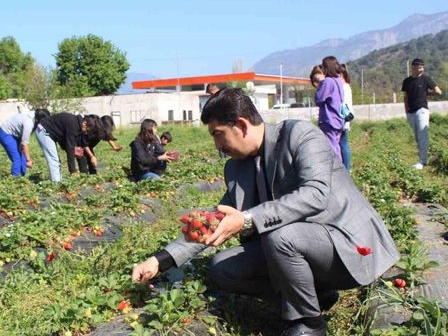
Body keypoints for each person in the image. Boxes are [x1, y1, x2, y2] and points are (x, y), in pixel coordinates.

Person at [132, 88, 400, 336]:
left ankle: (309, 323)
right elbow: (213, 220)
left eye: (217, 134)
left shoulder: (300, 135)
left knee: (280, 237)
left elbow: (315, 194)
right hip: (297, 248)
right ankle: (315, 296)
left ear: (240, 125)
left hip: (346, 245)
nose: (217, 145)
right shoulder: (237, 167)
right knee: (223, 268)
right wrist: (161, 260)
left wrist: (248, 220)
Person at [35, 112, 104, 182]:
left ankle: (58, 181)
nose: (86, 133)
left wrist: (91, 156)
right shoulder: (73, 125)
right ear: (85, 123)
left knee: (57, 160)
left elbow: (80, 144)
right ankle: (56, 184)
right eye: (87, 131)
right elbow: (70, 148)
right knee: (54, 159)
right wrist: (73, 171)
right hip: (44, 130)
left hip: (54, 133)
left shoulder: (80, 124)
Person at [401, 58, 443, 170]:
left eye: (423, 67)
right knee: (417, 136)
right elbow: (405, 97)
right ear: (413, 67)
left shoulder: (426, 79)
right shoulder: (407, 81)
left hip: (422, 110)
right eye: (419, 67)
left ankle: (422, 161)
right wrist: (406, 111)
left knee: (422, 135)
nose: (422, 69)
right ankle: (422, 159)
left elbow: (438, 91)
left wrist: (426, 94)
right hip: (411, 112)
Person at [0, 109, 50, 177]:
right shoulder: (28, 123)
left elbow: (41, 129)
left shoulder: (35, 115)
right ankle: (15, 180)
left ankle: (22, 177)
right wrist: (28, 160)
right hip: (6, 134)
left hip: (16, 134)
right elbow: (24, 144)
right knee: (17, 159)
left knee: (22, 159)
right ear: (39, 120)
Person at [314, 56, 344, 161]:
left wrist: (320, 83)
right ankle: (340, 170)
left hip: (329, 120)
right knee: (336, 146)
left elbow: (318, 99)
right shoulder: (338, 80)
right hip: (338, 119)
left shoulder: (327, 82)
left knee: (330, 147)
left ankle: (336, 171)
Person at [340, 64, 354, 171]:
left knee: (343, 143)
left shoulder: (344, 87)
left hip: (343, 119)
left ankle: (347, 168)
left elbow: (343, 105)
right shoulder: (347, 86)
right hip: (345, 118)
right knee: (343, 143)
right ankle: (346, 168)